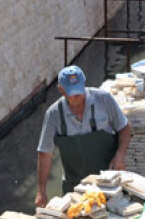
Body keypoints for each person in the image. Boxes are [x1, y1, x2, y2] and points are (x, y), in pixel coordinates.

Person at [36, 66, 132, 207]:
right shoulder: (53, 115)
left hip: (108, 180)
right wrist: (41, 191)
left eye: (79, 91)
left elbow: (124, 128)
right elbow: (45, 153)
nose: (77, 96)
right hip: (75, 186)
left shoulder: (104, 100)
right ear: (61, 90)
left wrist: (120, 155)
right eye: (72, 93)